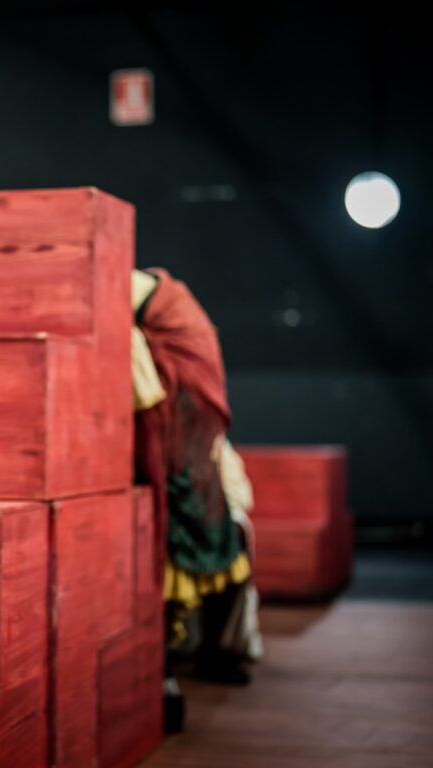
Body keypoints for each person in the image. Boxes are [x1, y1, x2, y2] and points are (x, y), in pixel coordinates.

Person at [132, 268, 259, 700]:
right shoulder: (151, 311)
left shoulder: (167, 310)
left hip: (192, 472)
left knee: (233, 540)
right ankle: (164, 670)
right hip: (165, 474)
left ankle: (211, 652)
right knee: (166, 558)